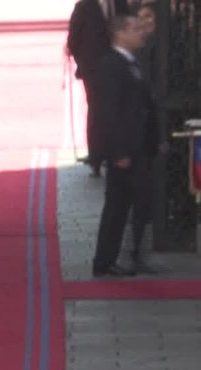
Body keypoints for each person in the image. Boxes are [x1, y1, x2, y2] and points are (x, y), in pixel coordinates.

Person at [92, 14, 161, 277]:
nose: (141, 33)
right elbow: (109, 112)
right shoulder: (111, 65)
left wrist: (155, 141)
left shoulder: (132, 62)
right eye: (135, 29)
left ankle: (117, 257)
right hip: (126, 150)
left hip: (139, 145)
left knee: (131, 204)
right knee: (121, 206)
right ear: (120, 33)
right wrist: (118, 151)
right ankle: (110, 258)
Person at [67, 0, 131, 176]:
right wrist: (83, 63)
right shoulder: (84, 6)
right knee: (97, 109)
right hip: (94, 69)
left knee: (118, 107)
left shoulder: (120, 4)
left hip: (119, 65)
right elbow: (73, 40)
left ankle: (116, 152)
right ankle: (96, 157)